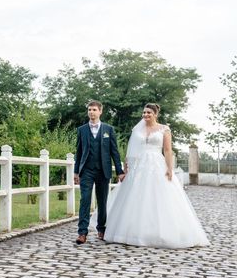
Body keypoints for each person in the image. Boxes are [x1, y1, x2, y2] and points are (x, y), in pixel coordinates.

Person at [103, 104, 209, 248]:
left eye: (149, 112)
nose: (146, 115)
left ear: (155, 114)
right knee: (136, 197)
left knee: (159, 196)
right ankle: (133, 232)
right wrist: (127, 168)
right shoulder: (137, 129)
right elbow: (131, 150)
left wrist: (169, 169)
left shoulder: (164, 129)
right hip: (139, 166)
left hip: (156, 164)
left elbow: (167, 150)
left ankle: (161, 232)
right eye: (144, 112)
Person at [73, 100, 125, 245]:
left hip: (103, 170)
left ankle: (101, 229)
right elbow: (79, 152)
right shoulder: (81, 130)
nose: (91, 112)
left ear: (100, 111)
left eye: (94, 110)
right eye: (89, 109)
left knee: (102, 202)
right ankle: (82, 233)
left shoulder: (109, 129)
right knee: (85, 200)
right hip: (86, 170)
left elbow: (114, 152)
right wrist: (76, 172)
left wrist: (120, 172)